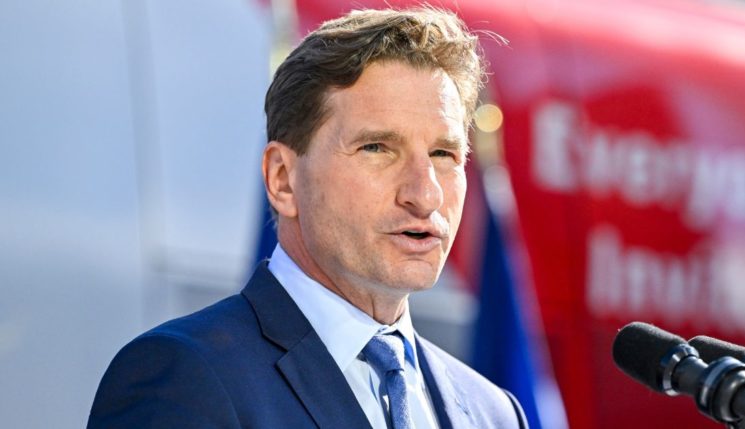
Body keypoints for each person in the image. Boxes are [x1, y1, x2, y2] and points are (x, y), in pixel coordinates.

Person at [88, 7, 529, 429]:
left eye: (444, 154)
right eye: (377, 148)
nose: (425, 193)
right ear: (283, 180)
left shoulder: (495, 413)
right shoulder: (185, 380)